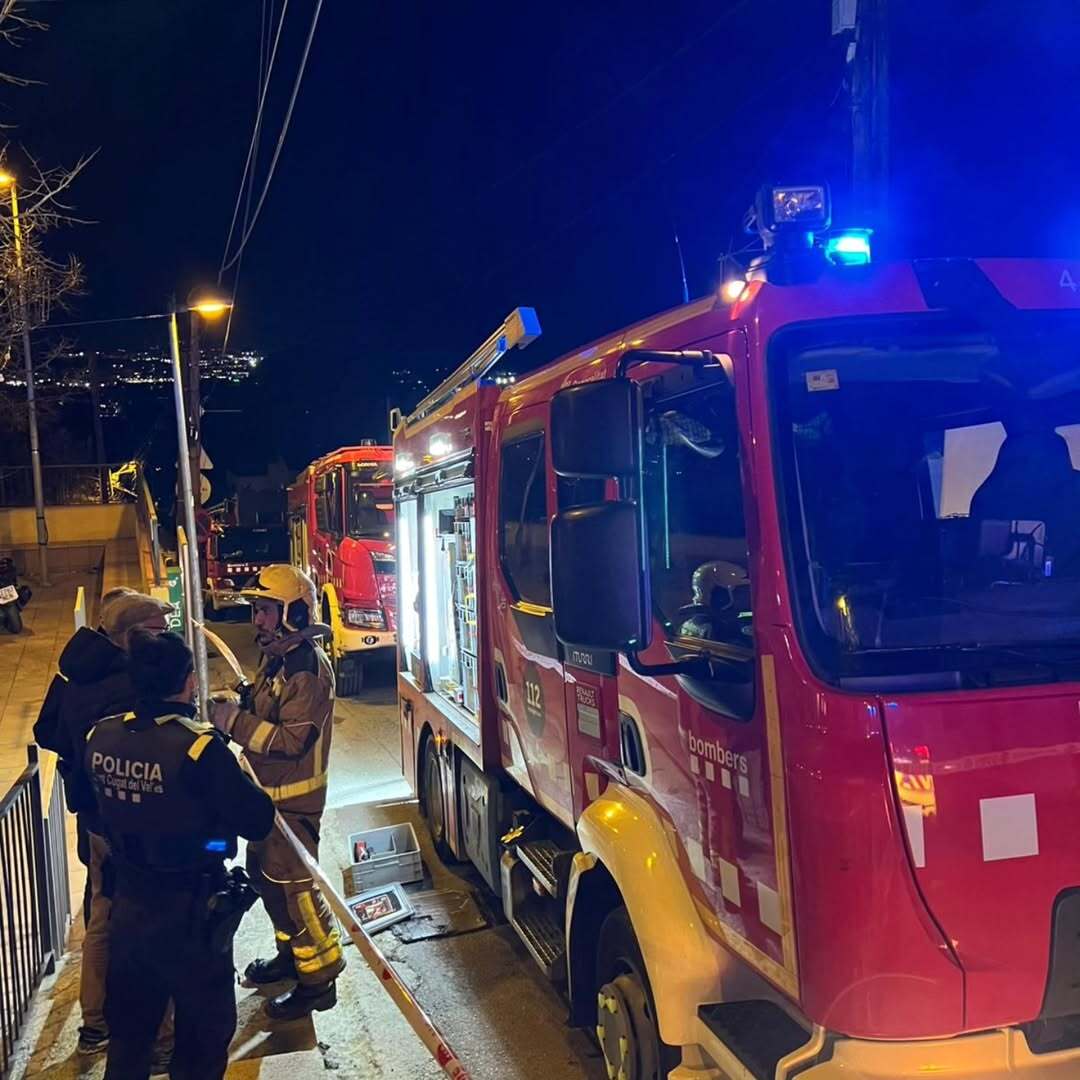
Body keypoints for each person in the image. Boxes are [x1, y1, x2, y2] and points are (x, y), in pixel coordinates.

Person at [84, 630, 274, 1080]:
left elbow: (91, 812)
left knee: (130, 1037)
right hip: (192, 916)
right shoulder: (198, 749)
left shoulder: (102, 736)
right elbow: (258, 819)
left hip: (129, 908)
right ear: (189, 682)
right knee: (202, 1042)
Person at [33, 588, 177, 1060]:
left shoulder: (79, 673)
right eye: (158, 633)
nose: (165, 640)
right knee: (140, 925)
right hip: (127, 825)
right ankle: (157, 1035)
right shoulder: (125, 685)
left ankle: (94, 1025)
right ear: (131, 638)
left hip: (94, 820)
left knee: (101, 917)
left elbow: (46, 731)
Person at [209, 564, 345, 1020]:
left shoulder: (307, 671)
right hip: (268, 801)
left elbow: (291, 742)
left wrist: (235, 723)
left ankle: (319, 981)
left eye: (266, 611)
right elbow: (263, 708)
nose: (258, 621)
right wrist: (240, 703)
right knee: (269, 882)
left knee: (298, 892)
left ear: (295, 615)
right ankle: (291, 958)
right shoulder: (278, 659)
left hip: (295, 805)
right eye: (257, 610)